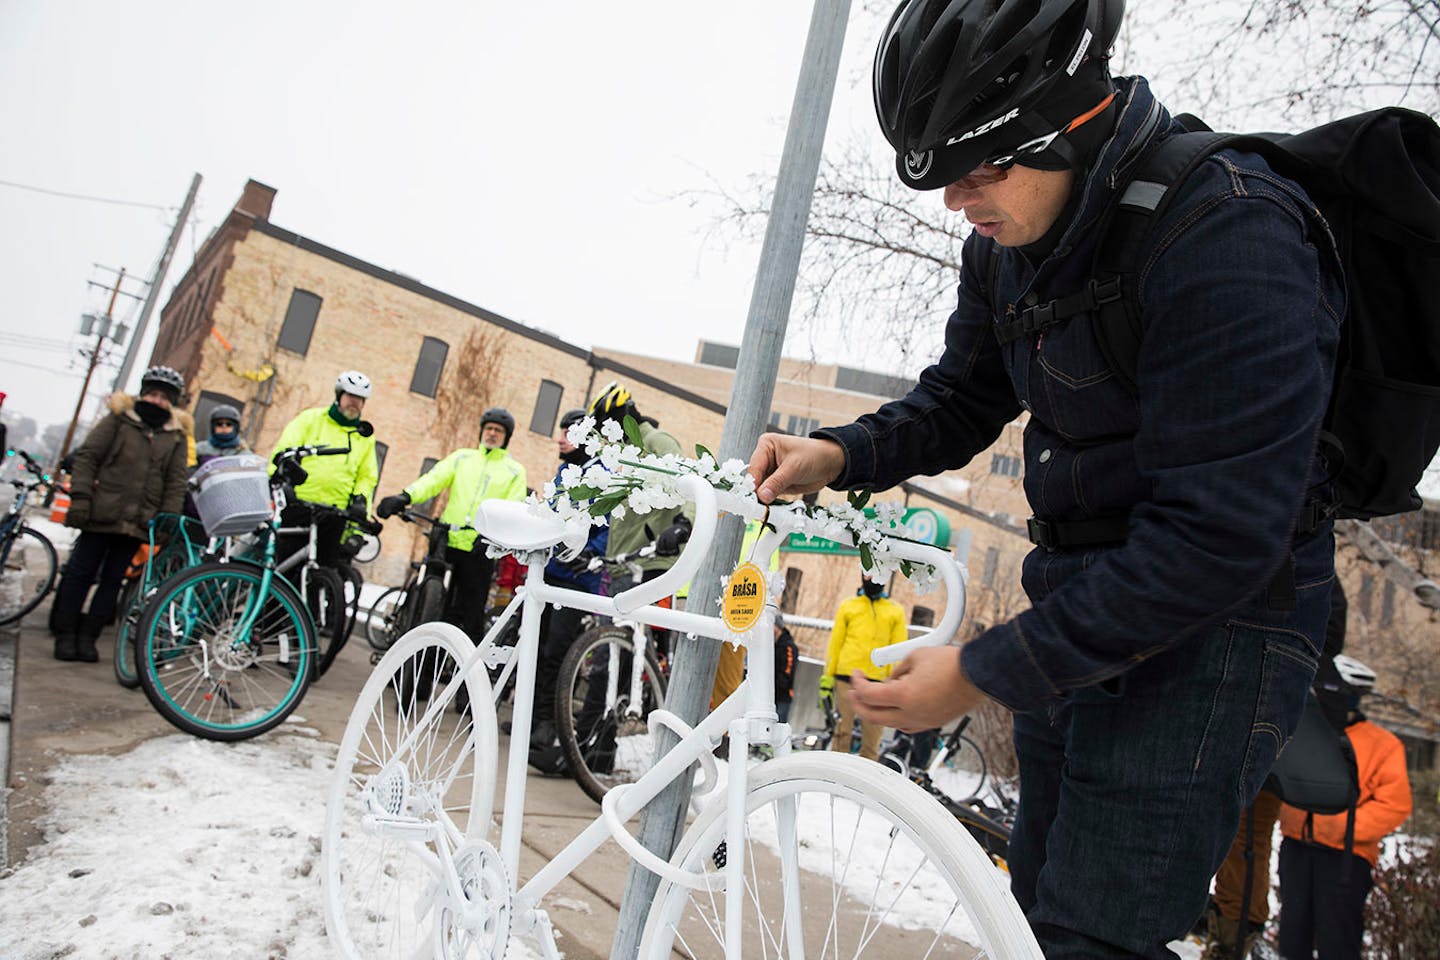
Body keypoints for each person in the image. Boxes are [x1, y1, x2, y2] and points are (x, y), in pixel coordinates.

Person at [746, 0, 1344, 953]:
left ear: (1069, 119)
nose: (957, 202)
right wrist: (843, 452)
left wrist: (982, 672)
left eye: (980, 167)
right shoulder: (1007, 246)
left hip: (1216, 627)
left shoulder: (1230, 232)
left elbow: (1219, 535)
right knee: (1030, 925)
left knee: (1089, 939)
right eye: (939, 176)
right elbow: (961, 398)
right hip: (1079, 602)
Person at [1203, 583, 1351, 959]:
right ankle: (1228, 928)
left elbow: (1325, 637)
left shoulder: (1313, 563)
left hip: (1273, 705)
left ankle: (1233, 935)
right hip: (1238, 694)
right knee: (1236, 834)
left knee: (1247, 836)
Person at [1276, 655, 1412, 960]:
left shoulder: (1383, 744)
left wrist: (1340, 827)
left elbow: (1395, 804)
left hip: (1346, 857)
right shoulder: (1307, 732)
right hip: (1297, 847)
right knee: (1291, 937)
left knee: (1337, 940)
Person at [49, 366, 189, 662]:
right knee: (80, 573)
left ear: (172, 402)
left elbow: (176, 482)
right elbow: (88, 457)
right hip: (101, 512)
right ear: (142, 393)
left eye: (163, 397)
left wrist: (168, 518)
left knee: (113, 581)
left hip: (138, 521)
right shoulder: (119, 420)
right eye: (152, 393)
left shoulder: (176, 436)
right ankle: (65, 633)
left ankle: (89, 636)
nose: (156, 401)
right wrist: (82, 498)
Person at [376, 407, 526, 643]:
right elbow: (434, 479)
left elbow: (512, 507)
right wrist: (405, 496)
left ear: (507, 437)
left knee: (471, 616)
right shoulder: (462, 458)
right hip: (446, 541)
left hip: (480, 548)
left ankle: (466, 675)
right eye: (488, 429)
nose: (492, 434)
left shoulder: (514, 471)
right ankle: (408, 651)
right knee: (427, 604)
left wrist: (493, 536)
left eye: (498, 431)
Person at [529, 408, 608, 765]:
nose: (560, 438)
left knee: (556, 654)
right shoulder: (565, 472)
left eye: (568, 432)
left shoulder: (602, 474)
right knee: (534, 647)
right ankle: (532, 719)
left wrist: (590, 553)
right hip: (548, 571)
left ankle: (549, 723)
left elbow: (607, 527)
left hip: (577, 580)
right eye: (560, 430)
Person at [269, 370, 379, 568]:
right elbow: (283, 452)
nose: (354, 403)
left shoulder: (364, 437)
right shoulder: (310, 419)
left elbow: (367, 476)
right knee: (284, 566)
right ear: (339, 396)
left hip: (335, 514)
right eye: (350, 396)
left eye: (360, 399)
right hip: (298, 506)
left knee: (323, 570)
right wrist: (284, 483)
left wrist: (360, 499)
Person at [821, 578, 908, 760]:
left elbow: (898, 649)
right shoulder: (849, 605)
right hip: (846, 676)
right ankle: (835, 776)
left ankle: (862, 784)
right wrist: (827, 678)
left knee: (872, 739)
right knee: (842, 731)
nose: (871, 580)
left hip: (878, 681)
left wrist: (896, 683)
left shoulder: (895, 611)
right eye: (867, 575)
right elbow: (835, 644)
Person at [773, 612, 798, 724]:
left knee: (778, 727)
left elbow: (787, 671)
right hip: (772, 695)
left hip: (782, 696)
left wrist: (778, 687)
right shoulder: (773, 645)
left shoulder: (788, 646)